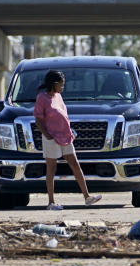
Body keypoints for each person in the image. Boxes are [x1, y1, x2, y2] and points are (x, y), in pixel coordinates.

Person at [33, 70, 101, 210]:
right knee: (51, 169)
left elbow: (63, 114)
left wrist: (70, 131)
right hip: (51, 138)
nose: (63, 88)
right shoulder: (42, 98)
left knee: (75, 165)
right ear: (55, 84)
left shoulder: (58, 96)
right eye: (62, 85)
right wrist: (48, 136)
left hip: (65, 136)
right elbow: (38, 120)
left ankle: (87, 197)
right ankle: (51, 203)